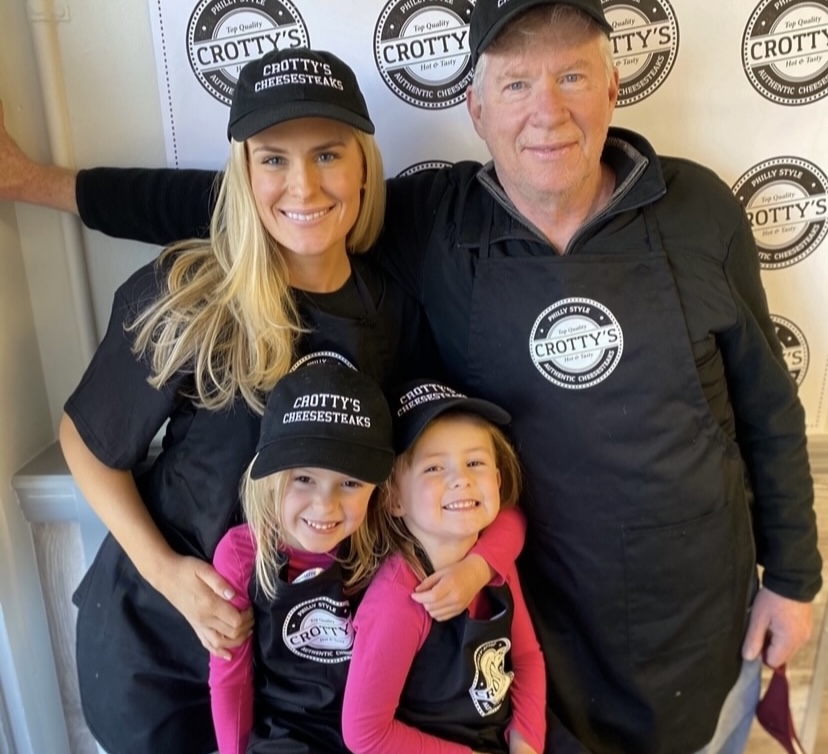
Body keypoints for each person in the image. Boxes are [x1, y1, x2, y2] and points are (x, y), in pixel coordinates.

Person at [2, 2, 822, 752]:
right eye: (516, 84)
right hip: (204, 647)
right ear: (476, 108)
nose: (548, 111)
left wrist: (791, 575)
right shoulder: (254, 276)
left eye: (573, 76)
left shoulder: (678, 214)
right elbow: (222, 208)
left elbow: (764, 409)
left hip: (366, 658)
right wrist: (35, 184)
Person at [56, 47, 450, 754]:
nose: (303, 185)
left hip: (299, 667)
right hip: (164, 653)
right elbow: (88, 441)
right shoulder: (189, 294)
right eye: (273, 158)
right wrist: (168, 573)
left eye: (328, 154)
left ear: (362, 166)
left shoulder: (394, 313)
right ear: (243, 172)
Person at [210, 356, 528, 754]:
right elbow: (230, 677)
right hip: (287, 735)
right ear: (271, 473)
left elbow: (509, 518)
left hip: (378, 733)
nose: (325, 507)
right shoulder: (241, 555)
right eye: (304, 478)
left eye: (349, 482)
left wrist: (478, 568)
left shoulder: (372, 533)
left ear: (380, 491)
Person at [342, 378, 546, 754]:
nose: (461, 479)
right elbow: (365, 735)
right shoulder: (397, 601)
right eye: (434, 468)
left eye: (475, 462)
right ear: (394, 499)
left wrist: (527, 743)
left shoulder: (494, 562)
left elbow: (527, 657)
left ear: (497, 481)